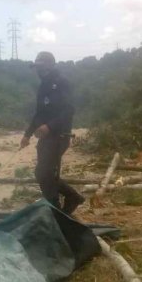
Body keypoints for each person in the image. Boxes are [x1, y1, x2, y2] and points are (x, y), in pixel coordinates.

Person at [20, 51, 85, 215]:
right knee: (45, 173)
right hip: (47, 137)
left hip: (60, 135)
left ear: (50, 66)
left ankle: (56, 211)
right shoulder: (43, 86)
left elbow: (69, 110)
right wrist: (27, 134)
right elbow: (38, 113)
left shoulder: (62, 82)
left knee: (44, 173)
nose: (38, 71)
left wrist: (49, 126)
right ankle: (70, 199)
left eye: (41, 67)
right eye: (36, 68)